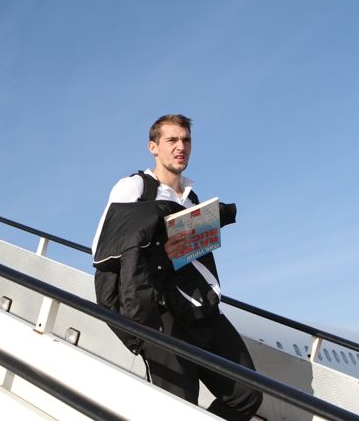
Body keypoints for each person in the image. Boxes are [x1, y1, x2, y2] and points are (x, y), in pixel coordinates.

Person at [92, 115, 262, 420]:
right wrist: (161, 250)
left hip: (199, 305)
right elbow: (102, 249)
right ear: (153, 147)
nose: (180, 147)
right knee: (177, 409)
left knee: (247, 393)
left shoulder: (191, 197)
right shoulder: (135, 187)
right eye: (172, 140)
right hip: (161, 312)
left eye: (186, 140)